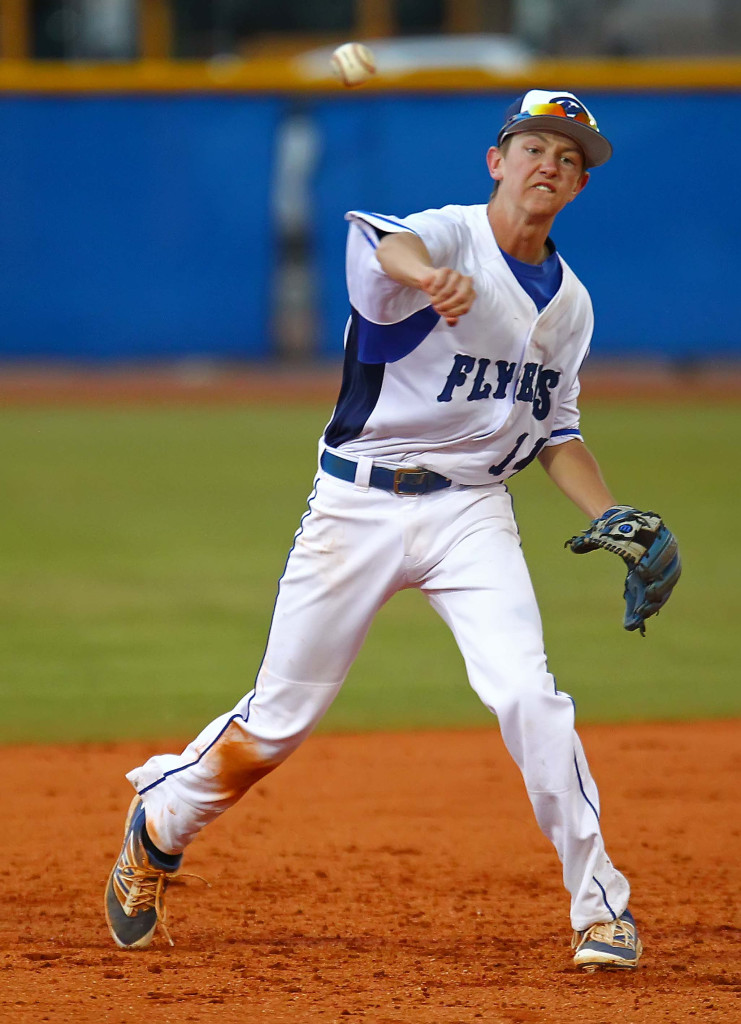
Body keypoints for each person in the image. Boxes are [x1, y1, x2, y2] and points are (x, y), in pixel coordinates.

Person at [106, 89, 650, 970]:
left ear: (580, 186)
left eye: (572, 157)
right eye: (537, 146)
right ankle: (163, 815)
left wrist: (609, 512)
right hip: (354, 506)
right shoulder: (443, 236)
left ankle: (600, 909)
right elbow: (380, 242)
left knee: (527, 696)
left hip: (471, 510)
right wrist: (423, 274)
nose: (552, 164)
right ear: (496, 161)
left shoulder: (572, 305)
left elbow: (555, 428)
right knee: (277, 725)